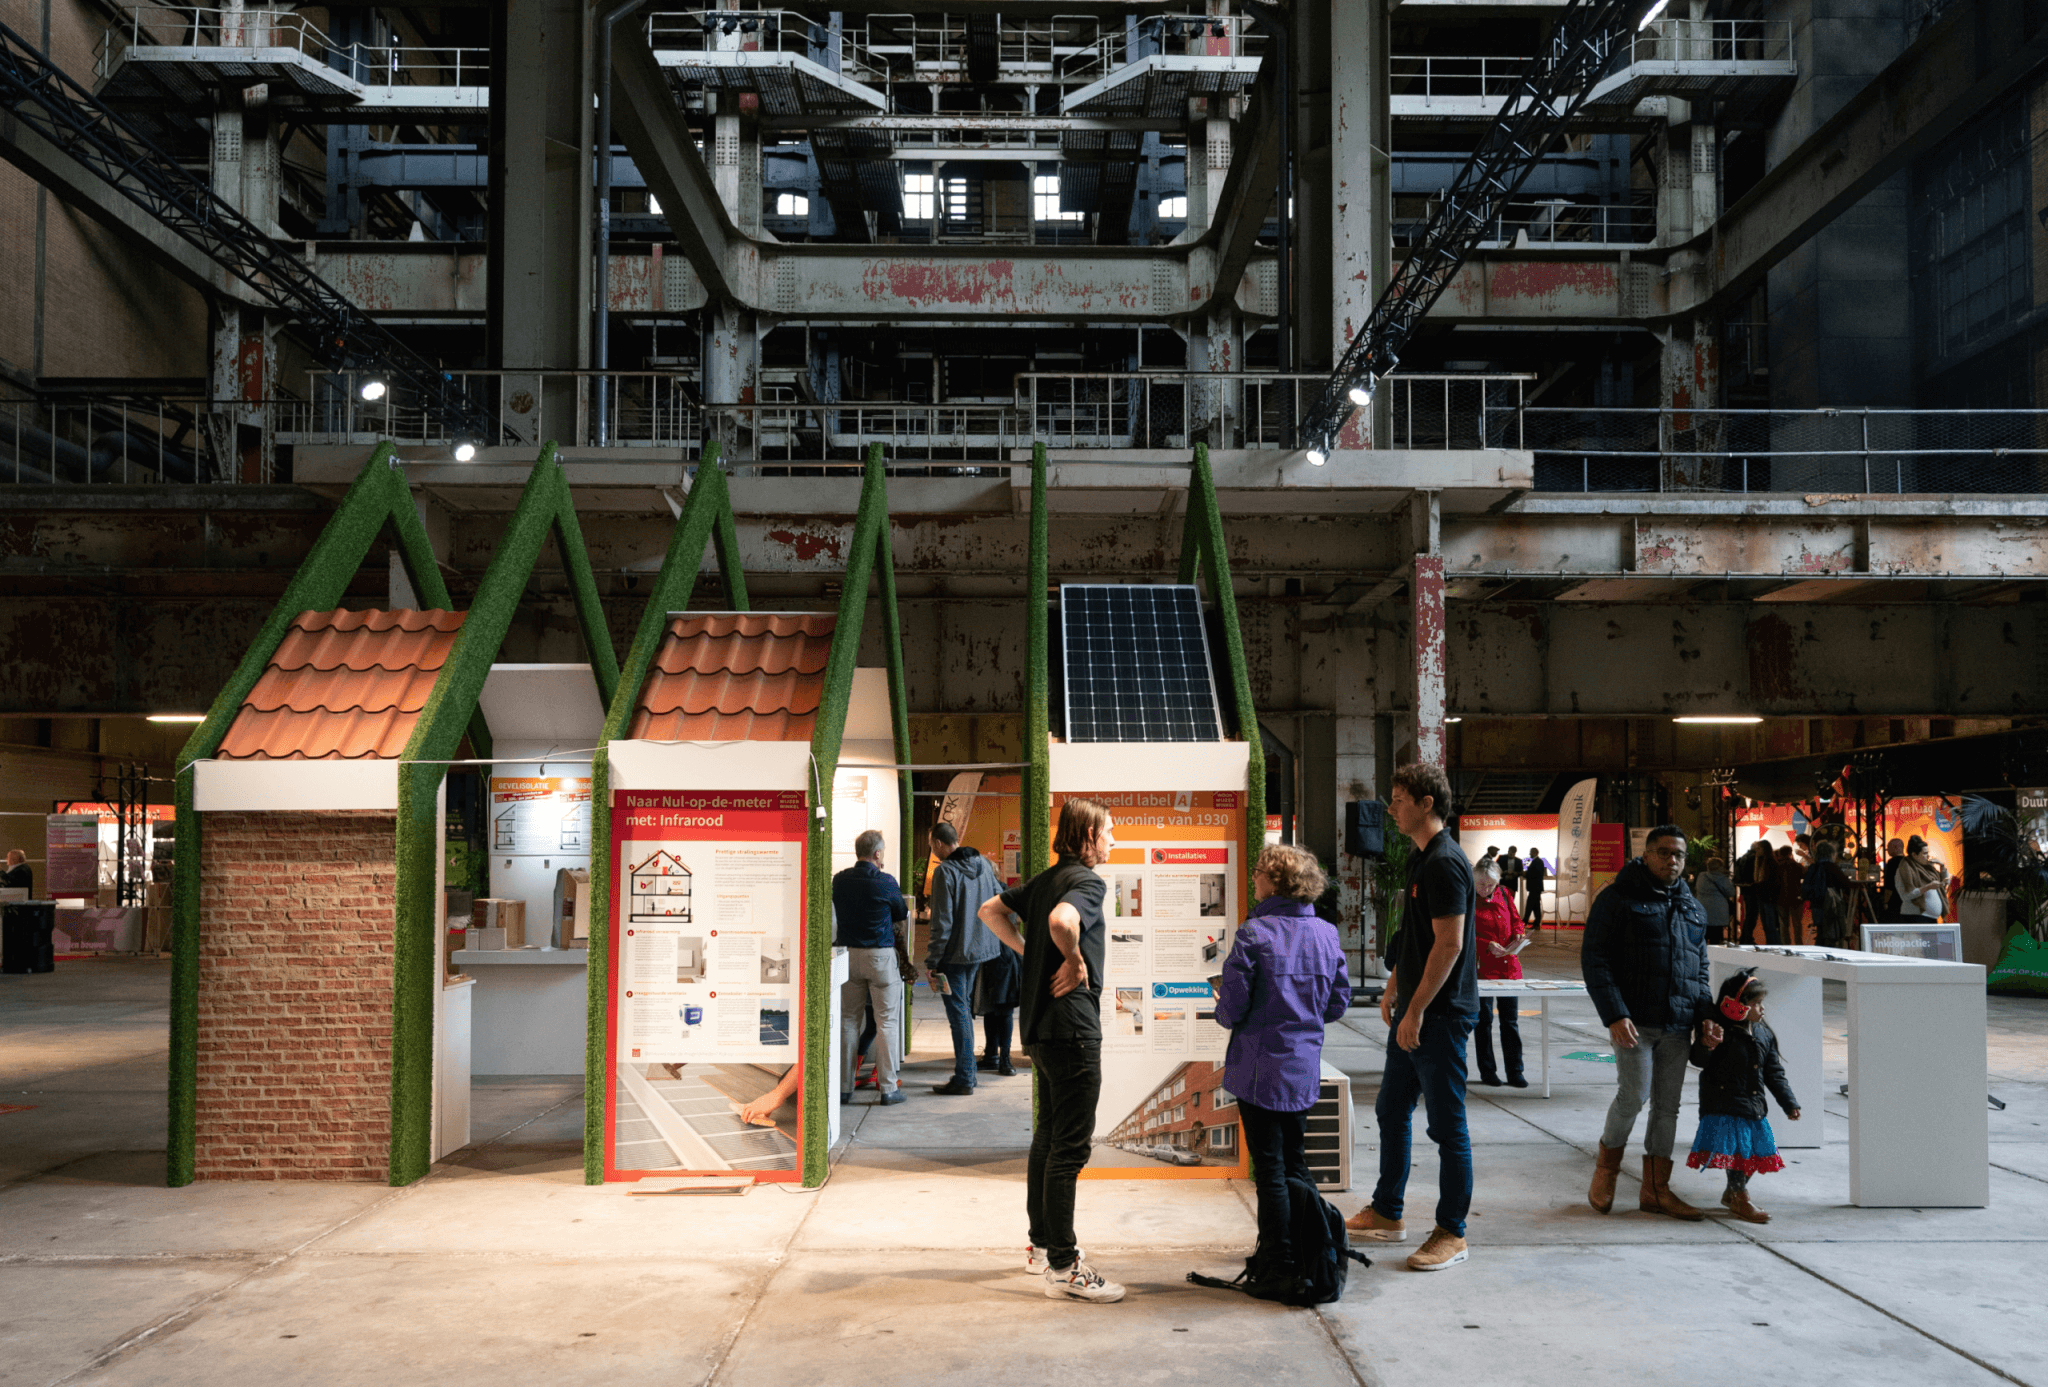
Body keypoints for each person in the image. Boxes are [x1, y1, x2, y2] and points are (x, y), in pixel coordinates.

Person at [976, 798, 1123, 1303]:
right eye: (1107, 832)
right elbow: (1063, 922)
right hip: (1073, 1030)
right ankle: (1064, 1266)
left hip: (1039, 1030)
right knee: (1069, 1149)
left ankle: (1041, 1248)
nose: (1112, 841)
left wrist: (1026, 951)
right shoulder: (1086, 882)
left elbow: (989, 910)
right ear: (1087, 836)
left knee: (1048, 1137)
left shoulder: (1044, 879)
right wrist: (1074, 959)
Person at [1345, 761, 1477, 1273]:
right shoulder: (1422, 859)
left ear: (1427, 804)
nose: (1391, 807)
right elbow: (1415, 939)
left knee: (1447, 1128)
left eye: (1399, 798)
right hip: (1415, 1010)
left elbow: (1450, 944)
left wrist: (1416, 1009)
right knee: (1392, 1110)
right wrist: (1395, 986)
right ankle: (1387, 1212)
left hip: (1440, 1017)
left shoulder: (1445, 862)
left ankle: (1452, 1231)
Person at [1212, 844, 1351, 1290]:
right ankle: (1313, 1256)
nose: (1254, 879)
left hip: (1257, 1069)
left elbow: (1232, 1008)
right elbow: (1337, 1003)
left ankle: (1279, 1264)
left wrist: (1224, 1009)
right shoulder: (1327, 934)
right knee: (1296, 1163)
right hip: (1302, 1068)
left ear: (1274, 880)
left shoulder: (1255, 933)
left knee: (1269, 1170)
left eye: (1257, 873)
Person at [1581, 824, 1722, 1221]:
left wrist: (1706, 1017)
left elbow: (1699, 970)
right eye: (1663, 853)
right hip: (1634, 1024)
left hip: (1677, 1026)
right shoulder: (1617, 898)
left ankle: (1656, 1190)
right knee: (1634, 1097)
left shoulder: (1692, 908)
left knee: (1668, 1109)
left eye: (1678, 854)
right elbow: (1596, 960)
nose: (1672, 860)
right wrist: (1614, 1014)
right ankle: (1606, 1169)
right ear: (1646, 855)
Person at [1687, 969, 1800, 1223]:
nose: (1762, 1009)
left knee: (1756, 1152)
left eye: (1762, 1003)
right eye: (1756, 1003)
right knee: (1741, 1153)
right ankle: (1739, 1196)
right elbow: (1698, 1059)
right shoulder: (1719, 1031)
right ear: (1735, 1005)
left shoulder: (1763, 1033)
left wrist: (1789, 1102)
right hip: (1724, 1105)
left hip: (1753, 1106)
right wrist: (1707, 1044)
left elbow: (1774, 1073)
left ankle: (1732, 1193)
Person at [924, 821, 1003, 1095]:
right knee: (964, 1011)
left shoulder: (944, 872)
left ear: (938, 844)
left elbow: (942, 923)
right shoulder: (982, 864)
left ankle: (965, 1077)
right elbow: (999, 898)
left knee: (958, 1014)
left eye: (931, 845)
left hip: (954, 956)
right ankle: (967, 1073)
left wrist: (932, 961)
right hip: (979, 951)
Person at [833, 830, 909, 1107]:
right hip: (880, 957)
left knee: (848, 1020)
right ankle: (888, 1089)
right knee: (886, 1021)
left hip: (847, 957)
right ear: (877, 854)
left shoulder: (840, 880)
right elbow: (901, 912)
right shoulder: (886, 881)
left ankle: (843, 1087)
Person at [1470, 858, 1527, 1088]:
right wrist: (1486, 944)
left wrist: (1518, 935)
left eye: (1491, 885)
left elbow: (1516, 921)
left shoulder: (1504, 894)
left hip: (1508, 967)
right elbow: (1461, 936)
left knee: (1510, 1022)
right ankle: (1488, 1070)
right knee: (1484, 1021)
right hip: (1482, 969)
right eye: (1482, 884)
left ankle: (1515, 1071)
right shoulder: (1467, 899)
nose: (1487, 889)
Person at [1801, 841, 1853, 947]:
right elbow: (1845, 883)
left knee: (1821, 931)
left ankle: (1820, 952)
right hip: (1831, 905)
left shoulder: (1813, 867)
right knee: (1831, 933)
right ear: (1831, 853)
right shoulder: (1832, 867)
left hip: (1816, 905)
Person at [1893, 835, 1950, 922]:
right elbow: (1905, 896)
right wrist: (1927, 887)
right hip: (1915, 916)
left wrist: (1942, 866)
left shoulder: (1927, 868)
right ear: (1914, 854)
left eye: (1928, 852)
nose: (1928, 856)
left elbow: (1944, 883)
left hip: (1931, 918)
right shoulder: (1904, 869)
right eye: (1924, 853)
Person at [1735, 840, 1777, 945]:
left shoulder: (1741, 859)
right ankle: (1747, 938)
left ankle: (1745, 938)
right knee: (1755, 917)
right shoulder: (1757, 859)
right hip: (1755, 890)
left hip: (1745, 889)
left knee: (1750, 915)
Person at [1697, 855, 1736, 946]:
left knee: (1703, 937)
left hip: (1702, 910)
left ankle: (1703, 957)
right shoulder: (1722, 878)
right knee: (1716, 938)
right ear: (1719, 867)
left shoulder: (1701, 876)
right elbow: (1731, 892)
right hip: (1718, 912)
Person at [1773, 845, 1804, 944]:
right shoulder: (1796, 865)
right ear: (1790, 853)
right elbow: (1805, 874)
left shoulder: (1777, 866)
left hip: (1781, 898)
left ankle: (1786, 944)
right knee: (1797, 924)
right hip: (1796, 897)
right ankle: (1798, 943)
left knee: (1783, 924)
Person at [1881, 837, 1907, 921]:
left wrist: (1885, 901)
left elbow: (1890, 884)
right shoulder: (1909, 861)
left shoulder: (1892, 862)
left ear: (1895, 848)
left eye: (1889, 847)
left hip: (1895, 901)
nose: (1887, 850)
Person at [1521, 849, 1547, 932]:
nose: (1529, 854)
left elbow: (1536, 874)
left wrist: (1526, 874)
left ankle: (1525, 922)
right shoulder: (1536, 861)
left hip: (1535, 888)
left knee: (1530, 905)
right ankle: (1536, 924)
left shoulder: (1538, 861)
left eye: (1531, 852)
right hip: (1535, 888)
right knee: (1536, 907)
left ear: (1535, 853)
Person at [1499, 846, 1524, 914]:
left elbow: (1521, 872)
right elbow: (1496, 869)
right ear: (1508, 851)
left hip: (1513, 884)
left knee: (1511, 902)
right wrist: (1504, 872)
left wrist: (1516, 873)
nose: (1511, 854)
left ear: (1515, 853)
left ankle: (1508, 919)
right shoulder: (1501, 858)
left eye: (1513, 853)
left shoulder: (1519, 861)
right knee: (1501, 902)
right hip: (1503, 883)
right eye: (1510, 852)